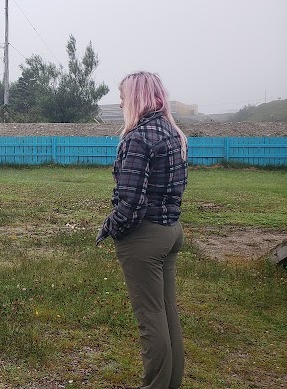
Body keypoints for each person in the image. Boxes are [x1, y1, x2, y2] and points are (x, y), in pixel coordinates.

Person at [96, 71, 188, 389]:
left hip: (145, 238)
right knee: (166, 312)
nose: (120, 102)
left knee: (150, 318)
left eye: (123, 97)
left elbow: (131, 203)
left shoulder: (138, 137)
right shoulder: (171, 133)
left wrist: (112, 227)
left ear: (136, 97)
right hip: (171, 230)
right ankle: (170, 382)